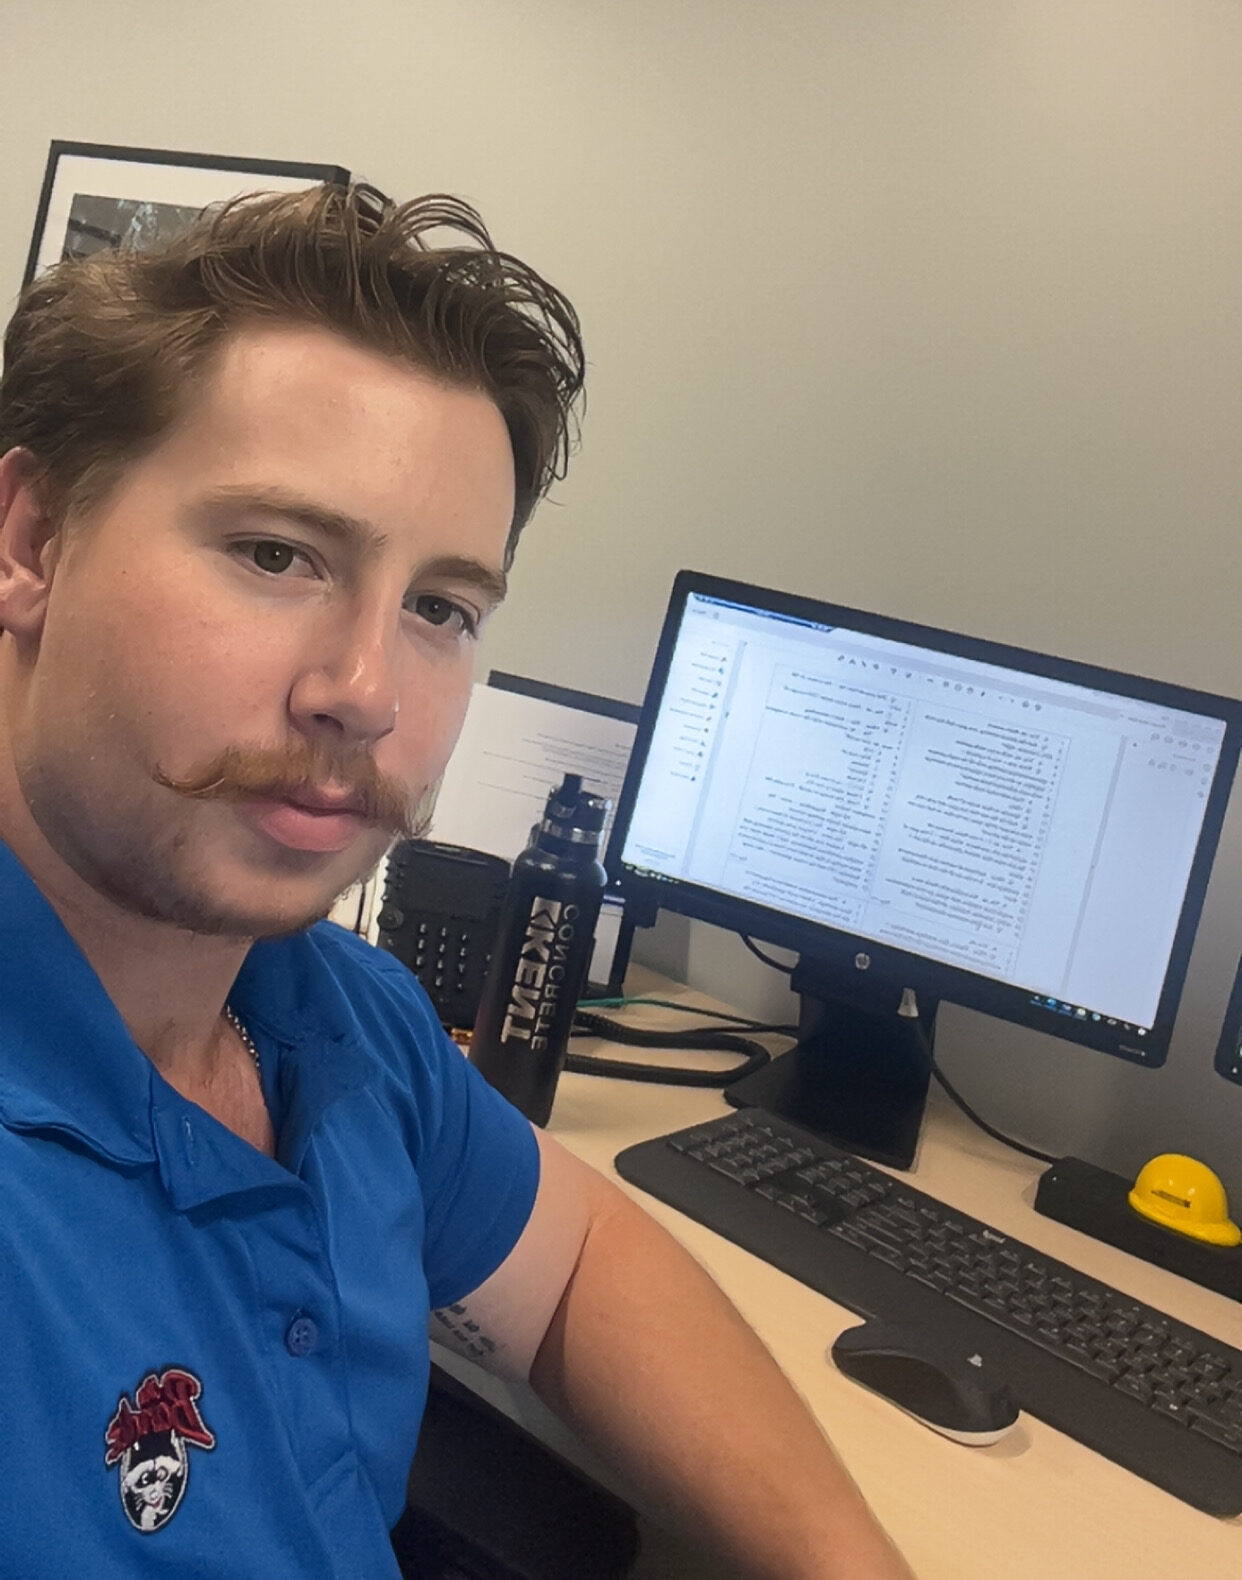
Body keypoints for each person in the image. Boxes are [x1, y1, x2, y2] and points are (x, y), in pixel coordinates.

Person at [0, 181, 914, 1579]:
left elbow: (579, 1263)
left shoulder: (335, 1018)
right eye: (275, 553)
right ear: (32, 541)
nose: (364, 692)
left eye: (439, 607)